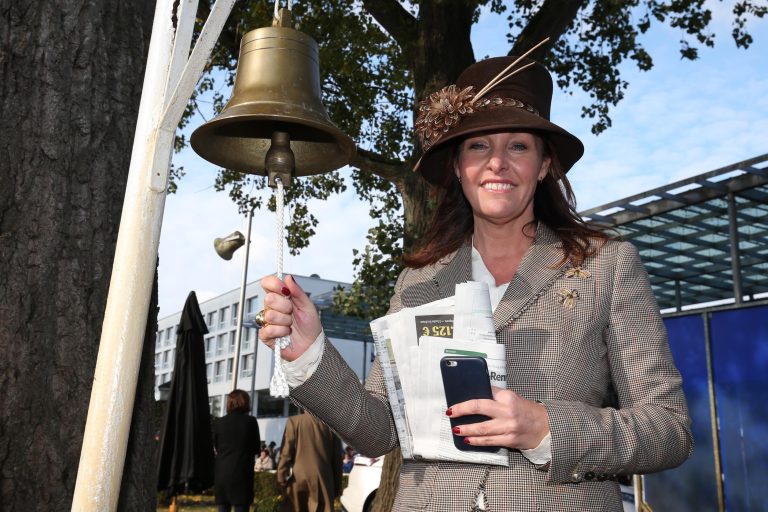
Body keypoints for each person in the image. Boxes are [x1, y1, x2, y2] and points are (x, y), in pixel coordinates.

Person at [257, 55, 693, 511]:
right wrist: (310, 351)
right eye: (479, 146)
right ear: (459, 167)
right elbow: (377, 430)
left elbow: (670, 429)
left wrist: (546, 428)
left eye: (519, 146)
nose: (498, 163)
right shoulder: (418, 281)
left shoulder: (608, 265)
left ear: (544, 164)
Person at [276, 409, 343, 512]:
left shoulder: (294, 421)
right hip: (324, 478)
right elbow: (337, 459)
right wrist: (337, 486)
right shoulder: (332, 425)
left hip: (299, 477)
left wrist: (281, 477)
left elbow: (286, 454)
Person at [212, 389, 261, 512]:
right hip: (242, 474)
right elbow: (256, 448)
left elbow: (217, 447)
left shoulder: (219, 422)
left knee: (222, 508)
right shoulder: (251, 422)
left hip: (221, 474)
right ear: (245, 402)